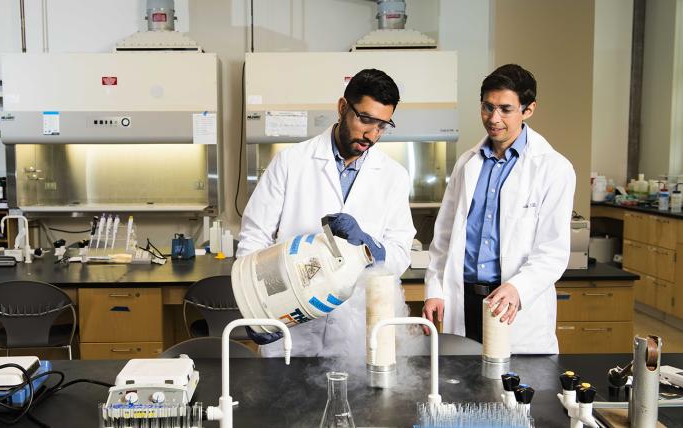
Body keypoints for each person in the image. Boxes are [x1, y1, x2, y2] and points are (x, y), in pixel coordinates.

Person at [237, 68, 416, 357]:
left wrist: (371, 248)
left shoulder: (394, 176)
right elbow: (254, 237)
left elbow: (399, 252)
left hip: (357, 331)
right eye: (366, 119)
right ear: (343, 107)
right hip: (292, 326)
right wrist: (257, 303)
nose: (372, 134)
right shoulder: (290, 163)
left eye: (383, 125)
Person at [422, 64, 575, 354]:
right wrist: (435, 290)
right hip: (464, 299)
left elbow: (553, 251)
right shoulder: (467, 163)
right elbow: (443, 238)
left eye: (505, 109)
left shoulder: (554, 168)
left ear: (528, 110)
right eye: (487, 107)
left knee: (513, 393)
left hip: (512, 303)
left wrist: (519, 288)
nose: (494, 119)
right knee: (463, 389)